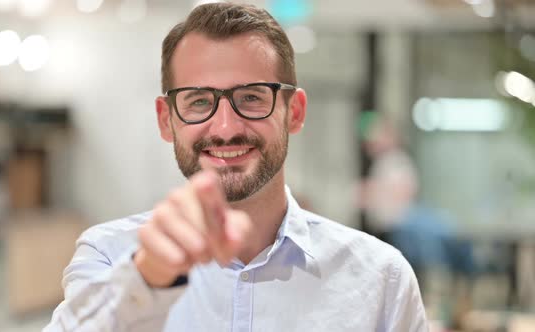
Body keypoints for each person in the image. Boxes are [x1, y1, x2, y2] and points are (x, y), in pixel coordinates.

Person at [44, 3, 428, 331]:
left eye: (251, 98)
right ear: (166, 120)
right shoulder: (111, 254)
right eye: (197, 102)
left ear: (294, 112)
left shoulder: (382, 279)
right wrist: (147, 280)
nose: (226, 128)